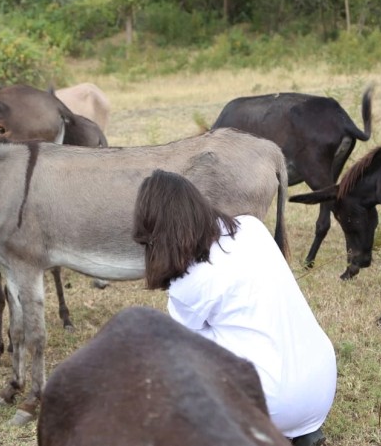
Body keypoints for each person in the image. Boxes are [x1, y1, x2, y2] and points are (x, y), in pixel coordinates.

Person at [132, 169, 337, 446]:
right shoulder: (252, 228)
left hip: (272, 404)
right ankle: (299, 431)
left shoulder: (189, 285)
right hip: (321, 385)